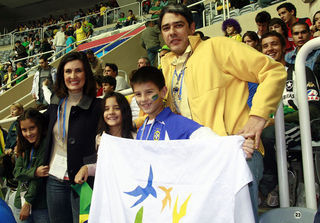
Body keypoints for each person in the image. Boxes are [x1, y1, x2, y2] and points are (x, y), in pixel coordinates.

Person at [159, 4, 287, 222]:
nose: (172, 32)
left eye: (178, 25)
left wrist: (258, 117)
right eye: (166, 28)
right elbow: (161, 111)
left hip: (236, 153)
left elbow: (273, 71)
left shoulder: (217, 47)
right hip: (195, 161)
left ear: (191, 27)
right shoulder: (166, 65)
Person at [130, 66, 255, 221]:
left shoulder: (176, 123)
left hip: (173, 205)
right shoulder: (143, 130)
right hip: (152, 206)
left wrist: (237, 148)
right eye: (138, 94)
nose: (143, 99)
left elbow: (212, 141)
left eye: (149, 92)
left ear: (163, 92)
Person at [260, 31, 320, 207]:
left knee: (269, 135)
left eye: (274, 44)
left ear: (284, 46)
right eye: (265, 46)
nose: (270, 49)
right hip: (269, 125)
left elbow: (314, 108)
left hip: (301, 124)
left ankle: (274, 186)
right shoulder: (259, 79)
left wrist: (279, 119)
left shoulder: (300, 71)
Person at [43, 52, 101, 223]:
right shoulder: (56, 102)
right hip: (55, 179)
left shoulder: (98, 106)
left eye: (78, 71)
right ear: (62, 75)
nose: (73, 76)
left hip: (83, 181)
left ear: (86, 74)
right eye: (68, 71)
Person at [74, 92, 136, 183]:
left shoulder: (135, 137)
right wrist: (86, 168)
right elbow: (101, 167)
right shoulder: (99, 138)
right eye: (106, 109)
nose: (111, 112)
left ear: (125, 111)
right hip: (108, 189)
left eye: (117, 108)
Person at [12, 108, 50, 223]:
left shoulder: (45, 145)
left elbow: (38, 180)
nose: (28, 133)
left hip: (40, 205)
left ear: (39, 126)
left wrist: (28, 203)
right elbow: (17, 173)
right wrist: (34, 172)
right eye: (24, 130)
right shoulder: (22, 145)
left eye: (32, 128)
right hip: (20, 203)